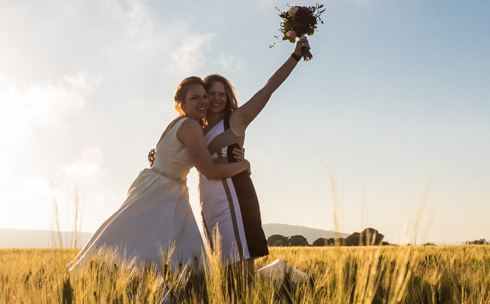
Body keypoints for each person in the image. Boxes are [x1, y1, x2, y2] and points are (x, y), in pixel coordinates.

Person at [69, 77, 251, 275]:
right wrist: (244, 165)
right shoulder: (191, 126)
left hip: (156, 185)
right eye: (195, 98)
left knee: (131, 243)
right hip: (164, 192)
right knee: (162, 251)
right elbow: (209, 171)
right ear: (181, 104)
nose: (203, 101)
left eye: (204, 96)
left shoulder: (176, 124)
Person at [199, 36, 311, 275]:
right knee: (224, 273)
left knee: (240, 273)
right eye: (211, 93)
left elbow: (268, 89)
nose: (217, 98)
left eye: (222, 93)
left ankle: (288, 280)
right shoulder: (196, 129)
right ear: (203, 97)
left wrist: (295, 56)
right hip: (208, 201)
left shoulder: (235, 119)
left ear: (228, 96)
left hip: (235, 198)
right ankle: (282, 276)